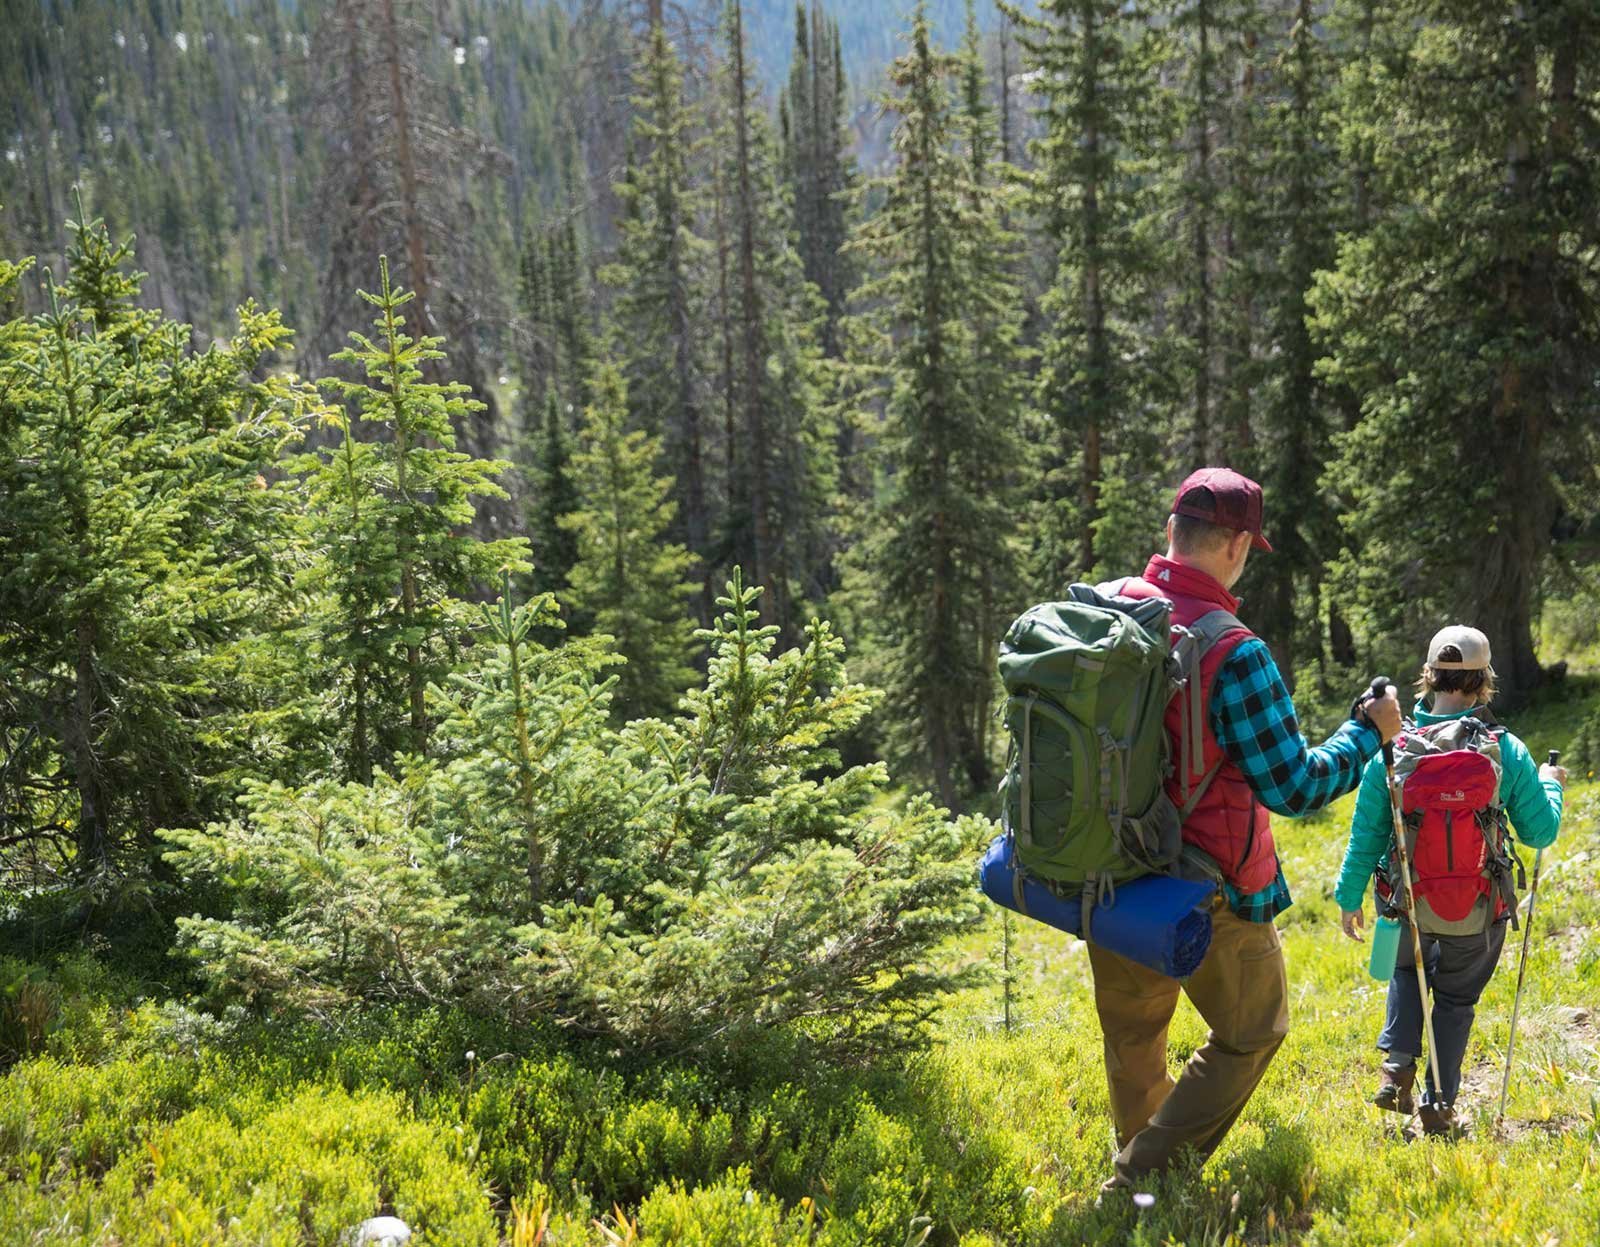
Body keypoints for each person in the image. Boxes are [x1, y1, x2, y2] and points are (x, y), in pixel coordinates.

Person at [1092, 467, 1402, 1193]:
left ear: (1172, 531)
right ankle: (1139, 1181)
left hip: (1105, 870)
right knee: (1252, 1030)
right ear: (1235, 544)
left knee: (1135, 1032)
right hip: (1206, 888)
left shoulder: (1111, 609)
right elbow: (1295, 784)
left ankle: (1142, 1172)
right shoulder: (1235, 650)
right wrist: (1365, 733)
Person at [1335, 625, 1565, 1137]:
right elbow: (1541, 830)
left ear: (1428, 678)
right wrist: (1551, 786)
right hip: (1478, 907)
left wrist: (1349, 897)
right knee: (1456, 1001)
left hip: (1407, 903)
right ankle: (1439, 1104)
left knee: (1404, 974)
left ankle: (1396, 1068)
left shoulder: (1393, 752)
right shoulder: (1506, 749)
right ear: (1484, 682)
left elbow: (1366, 836)